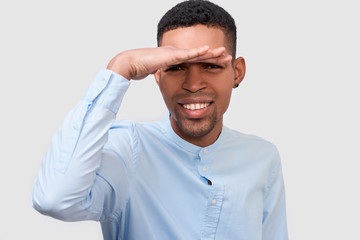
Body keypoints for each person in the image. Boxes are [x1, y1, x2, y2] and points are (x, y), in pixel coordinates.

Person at [32, 0, 288, 239]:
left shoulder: (263, 157)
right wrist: (122, 66)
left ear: (237, 72)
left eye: (211, 65)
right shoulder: (128, 148)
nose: (193, 84)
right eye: (176, 67)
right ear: (156, 74)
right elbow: (54, 199)